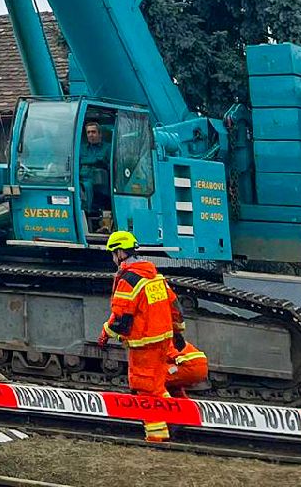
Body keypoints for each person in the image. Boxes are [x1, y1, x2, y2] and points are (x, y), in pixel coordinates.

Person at [96, 230, 182, 443]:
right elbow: (174, 306)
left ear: (120, 252)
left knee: (144, 388)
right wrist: (178, 332)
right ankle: (175, 418)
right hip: (163, 340)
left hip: (144, 343)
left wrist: (105, 334)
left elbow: (121, 317)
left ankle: (156, 436)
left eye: (113, 254)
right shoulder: (154, 275)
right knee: (157, 385)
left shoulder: (129, 279)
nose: (113, 258)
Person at [80, 117, 114, 234]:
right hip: (81, 176)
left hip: (99, 180)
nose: (91, 135)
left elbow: (110, 165)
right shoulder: (81, 149)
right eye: (88, 132)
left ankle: (88, 211)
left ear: (100, 134)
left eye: (93, 132)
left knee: (87, 186)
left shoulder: (108, 148)